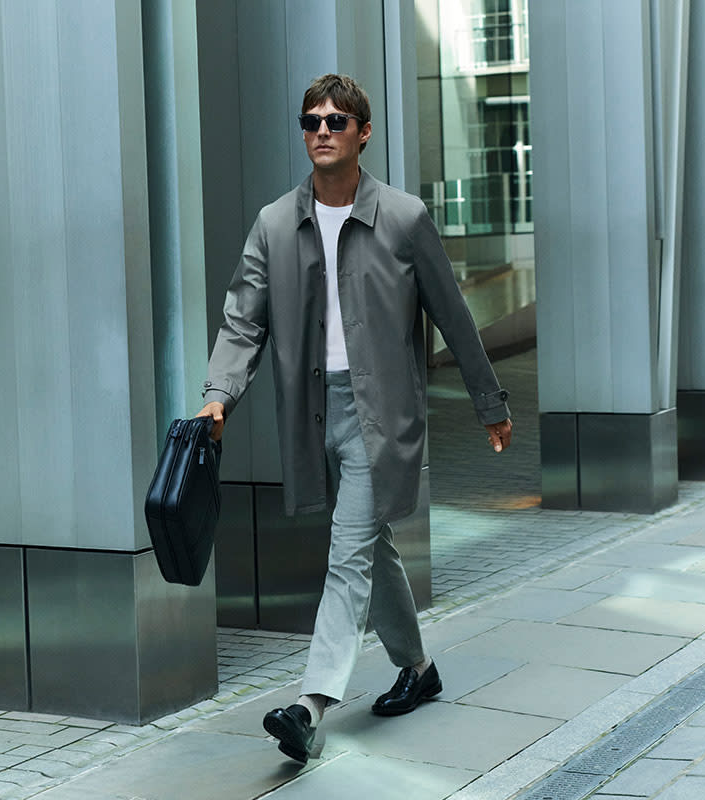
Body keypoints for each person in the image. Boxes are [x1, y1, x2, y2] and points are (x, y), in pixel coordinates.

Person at [197, 73, 512, 764]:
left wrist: (489, 403)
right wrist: (219, 393)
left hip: (382, 414)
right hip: (313, 414)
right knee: (372, 549)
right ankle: (420, 669)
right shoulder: (276, 224)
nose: (322, 132)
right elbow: (242, 319)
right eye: (311, 121)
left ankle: (310, 707)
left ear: (364, 133)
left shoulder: (402, 217)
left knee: (346, 557)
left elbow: (454, 318)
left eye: (337, 121)